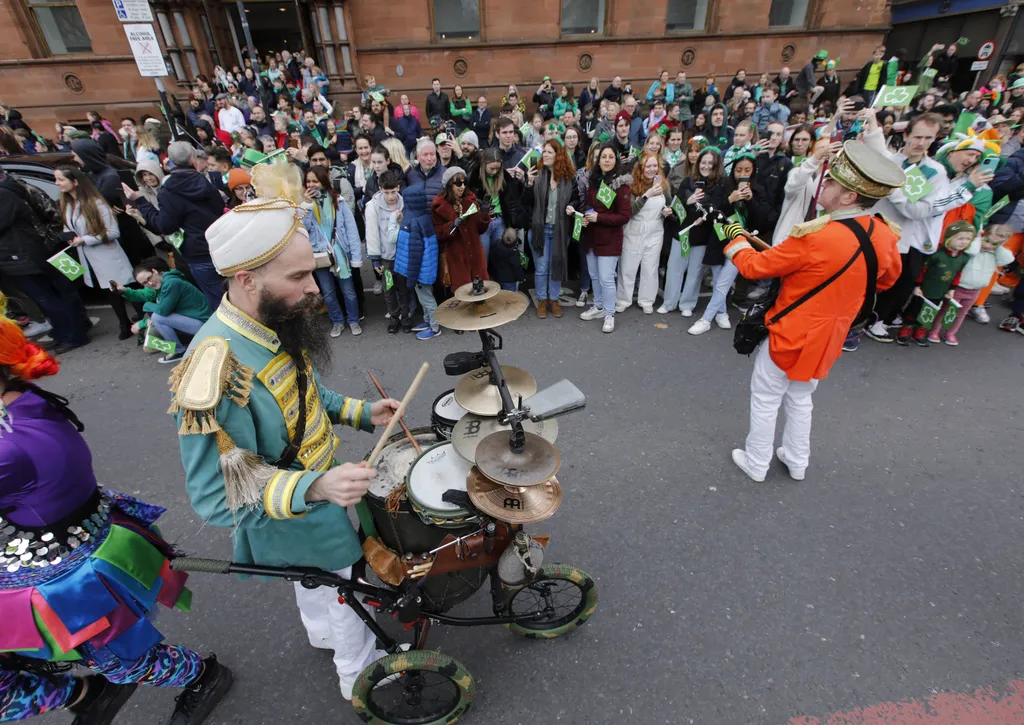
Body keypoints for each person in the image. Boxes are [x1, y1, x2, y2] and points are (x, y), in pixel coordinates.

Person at [172, 165, 401, 703]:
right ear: (247, 279)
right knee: (350, 584)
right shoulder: (215, 367)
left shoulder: (267, 319)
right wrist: (313, 489)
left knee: (317, 581)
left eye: (311, 272)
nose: (314, 289)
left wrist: (360, 412)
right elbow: (213, 497)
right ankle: (358, 674)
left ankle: (322, 634)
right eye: (298, 277)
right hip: (293, 508)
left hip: (314, 488)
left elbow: (305, 395)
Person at [0, 302, 232, 724]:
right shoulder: (21, 401)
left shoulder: (9, 444)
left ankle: (202, 675)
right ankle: (81, 691)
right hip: (64, 540)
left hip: (68, 575)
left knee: (122, 659)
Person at [722, 140, 905, 482]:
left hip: (791, 332)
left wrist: (734, 239)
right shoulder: (883, 234)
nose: (826, 183)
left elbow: (754, 267)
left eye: (834, 182)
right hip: (830, 337)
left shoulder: (816, 236)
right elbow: (886, 280)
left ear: (850, 196)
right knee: (801, 397)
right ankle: (796, 460)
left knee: (765, 397)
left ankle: (757, 462)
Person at [865, 113, 991, 342]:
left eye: (928, 138)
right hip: (876, 232)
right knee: (868, 280)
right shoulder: (893, 161)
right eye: (918, 136)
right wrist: (872, 122)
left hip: (907, 238)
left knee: (899, 282)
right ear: (906, 135)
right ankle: (865, 320)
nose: (921, 143)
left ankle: (878, 318)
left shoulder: (934, 172)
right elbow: (877, 150)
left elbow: (920, 210)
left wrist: (894, 191)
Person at [125, 142, 226, 312]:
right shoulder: (204, 182)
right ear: (193, 159)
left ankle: (234, 336)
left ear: (169, 161)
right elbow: (217, 208)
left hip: (199, 252)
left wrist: (141, 201)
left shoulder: (168, 192)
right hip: (219, 244)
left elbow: (165, 226)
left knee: (218, 300)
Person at [0, 169, 90, 353]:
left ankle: (73, 335)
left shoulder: (6, 193)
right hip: (40, 248)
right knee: (57, 294)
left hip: (28, 253)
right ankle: (67, 332)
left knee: (48, 297)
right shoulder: (19, 185)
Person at [55, 166, 138, 341]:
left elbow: (114, 232)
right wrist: (69, 236)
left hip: (106, 254)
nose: (57, 183)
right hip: (89, 258)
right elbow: (69, 227)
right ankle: (124, 323)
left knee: (125, 288)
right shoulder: (67, 205)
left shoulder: (96, 203)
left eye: (61, 179)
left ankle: (141, 322)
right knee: (109, 291)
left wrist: (85, 239)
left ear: (75, 181)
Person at [661, 146, 727, 316]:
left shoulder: (719, 186)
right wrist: (686, 202)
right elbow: (677, 205)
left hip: (702, 236)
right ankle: (669, 303)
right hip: (682, 233)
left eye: (710, 164)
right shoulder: (688, 181)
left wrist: (704, 213)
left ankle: (687, 304)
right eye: (703, 163)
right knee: (674, 268)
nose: (705, 166)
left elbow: (719, 210)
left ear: (716, 166)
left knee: (695, 272)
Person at [522, 139, 580, 318]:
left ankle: (553, 300)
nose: (544, 155)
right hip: (539, 229)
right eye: (544, 152)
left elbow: (577, 198)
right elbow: (526, 204)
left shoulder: (569, 178)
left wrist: (572, 206)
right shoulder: (537, 175)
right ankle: (541, 300)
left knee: (556, 265)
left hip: (560, 230)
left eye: (549, 152)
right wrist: (528, 185)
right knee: (541, 267)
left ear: (558, 156)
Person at [895, 220, 977, 346]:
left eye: (968, 239)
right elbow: (923, 270)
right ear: (949, 238)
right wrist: (917, 286)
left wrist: (952, 289)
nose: (964, 242)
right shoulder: (937, 255)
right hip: (925, 289)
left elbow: (958, 273)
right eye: (960, 238)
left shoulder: (964, 258)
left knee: (930, 311)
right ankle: (906, 328)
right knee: (914, 309)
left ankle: (920, 330)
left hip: (941, 290)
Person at [116, 257, 212, 362]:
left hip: (203, 325)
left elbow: (163, 311)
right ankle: (173, 345)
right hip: (191, 320)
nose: (150, 283)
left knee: (157, 319)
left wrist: (145, 313)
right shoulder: (161, 281)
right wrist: (124, 291)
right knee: (153, 328)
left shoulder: (170, 283)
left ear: (155, 271)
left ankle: (177, 351)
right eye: (145, 283)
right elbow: (145, 295)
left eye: (149, 278)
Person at [579, 143, 632, 333]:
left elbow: (624, 216)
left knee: (606, 278)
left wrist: (599, 218)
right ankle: (599, 306)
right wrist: (585, 217)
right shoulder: (593, 180)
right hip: (592, 236)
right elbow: (590, 206)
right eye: (603, 157)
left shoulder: (621, 184)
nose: (607, 160)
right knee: (594, 275)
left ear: (616, 160)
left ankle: (610, 314)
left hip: (610, 239)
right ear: (598, 160)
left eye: (610, 157)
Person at [930, 222, 1012, 344]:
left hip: (975, 290)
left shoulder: (995, 254)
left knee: (961, 314)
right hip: (958, 287)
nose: (989, 245)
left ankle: (951, 333)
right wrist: (978, 239)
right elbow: (972, 250)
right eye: (988, 240)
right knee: (945, 310)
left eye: (995, 244)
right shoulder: (972, 249)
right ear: (982, 235)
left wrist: (999, 246)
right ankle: (935, 330)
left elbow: (1008, 259)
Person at [305, 166, 362, 337]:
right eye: (308, 181)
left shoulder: (338, 200)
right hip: (319, 253)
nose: (311, 184)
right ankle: (337, 321)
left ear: (323, 181)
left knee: (348, 291)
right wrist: (306, 206)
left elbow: (351, 229)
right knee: (328, 294)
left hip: (340, 252)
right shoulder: (303, 204)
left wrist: (356, 257)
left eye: (315, 181)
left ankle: (353, 320)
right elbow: (303, 228)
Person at [618, 153, 671, 314]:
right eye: (648, 166)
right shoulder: (632, 184)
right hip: (634, 229)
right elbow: (630, 211)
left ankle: (647, 300)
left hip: (655, 230)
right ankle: (622, 299)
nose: (652, 169)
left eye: (655, 166)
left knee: (650, 267)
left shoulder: (663, 184)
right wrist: (646, 196)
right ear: (641, 168)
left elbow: (670, 203)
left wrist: (667, 211)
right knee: (628, 266)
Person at [396, 162, 441, 339]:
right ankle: (428, 320)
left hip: (420, 273)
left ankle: (434, 326)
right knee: (425, 297)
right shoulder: (423, 217)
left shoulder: (412, 223)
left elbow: (415, 255)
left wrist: (411, 279)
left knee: (427, 299)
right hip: (426, 270)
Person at [432, 166, 489, 292]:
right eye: (458, 183)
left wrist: (484, 213)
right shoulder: (439, 206)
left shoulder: (471, 201)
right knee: (462, 295)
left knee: (481, 295)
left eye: (464, 183)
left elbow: (481, 229)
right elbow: (439, 233)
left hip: (476, 255)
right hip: (456, 257)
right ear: (449, 185)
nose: (462, 187)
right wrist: (451, 226)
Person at [366, 169, 407, 333]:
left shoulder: (403, 202)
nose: (391, 196)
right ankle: (394, 317)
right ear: (380, 188)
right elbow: (372, 233)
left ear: (398, 187)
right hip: (386, 258)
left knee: (403, 289)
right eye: (387, 192)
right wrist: (375, 258)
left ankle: (406, 316)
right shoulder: (373, 206)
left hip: (402, 255)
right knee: (389, 289)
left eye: (393, 191)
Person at [475, 147, 527, 260]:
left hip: (500, 221)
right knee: (483, 259)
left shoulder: (505, 177)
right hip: (483, 222)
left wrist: (513, 223)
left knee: (500, 259)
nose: (495, 172)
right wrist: (481, 209)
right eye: (491, 168)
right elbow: (470, 201)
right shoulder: (475, 178)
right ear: (484, 165)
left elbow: (513, 201)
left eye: (497, 168)